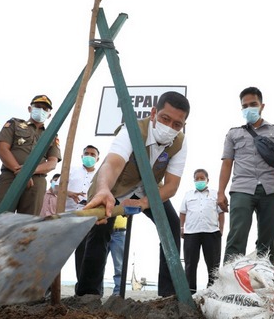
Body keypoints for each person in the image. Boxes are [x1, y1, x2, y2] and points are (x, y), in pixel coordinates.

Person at [76, 91, 190, 297]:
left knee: (171, 225)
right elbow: (112, 164)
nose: (170, 127)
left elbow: (171, 186)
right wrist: (103, 190)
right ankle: (88, 295)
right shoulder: (133, 129)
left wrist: (145, 203)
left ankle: (169, 293)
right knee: (100, 230)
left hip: (147, 190)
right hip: (114, 186)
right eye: (165, 119)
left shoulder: (180, 143)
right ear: (154, 112)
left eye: (177, 124)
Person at [218, 87, 274, 265]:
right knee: (236, 236)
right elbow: (226, 163)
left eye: (253, 104)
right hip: (241, 189)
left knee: (268, 242)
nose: (249, 108)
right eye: (244, 106)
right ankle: (229, 281)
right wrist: (220, 192)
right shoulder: (233, 133)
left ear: (262, 106)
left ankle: (265, 280)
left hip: (272, 189)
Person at [0, 95, 61, 217]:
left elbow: (52, 162)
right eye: (37, 107)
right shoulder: (14, 124)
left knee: (27, 224)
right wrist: (20, 173)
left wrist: (29, 172)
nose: (41, 110)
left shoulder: (52, 135)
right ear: (30, 108)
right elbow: (2, 149)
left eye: (45, 109)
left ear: (49, 115)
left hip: (36, 183)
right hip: (10, 176)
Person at [180, 169, 224, 293]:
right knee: (190, 264)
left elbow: (221, 213)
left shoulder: (215, 194)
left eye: (202, 178)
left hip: (211, 232)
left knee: (213, 264)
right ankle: (190, 291)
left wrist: (221, 229)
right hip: (191, 233)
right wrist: (181, 227)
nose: (199, 181)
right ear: (194, 180)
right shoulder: (188, 195)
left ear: (207, 180)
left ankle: (212, 291)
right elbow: (182, 212)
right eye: (197, 179)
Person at [65, 145, 100, 279]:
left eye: (92, 154)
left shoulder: (100, 176)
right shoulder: (71, 170)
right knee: (58, 251)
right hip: (68, 216)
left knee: (83, 253)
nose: (89, 156)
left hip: (87, 218)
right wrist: (69, 193)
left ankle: (81, 288)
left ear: (97, 159)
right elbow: (56, 189)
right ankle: (48, 289)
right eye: (87, 153)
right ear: (82, 156)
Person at [108, 215, 127, 295]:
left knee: (119, 266)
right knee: (98, 264)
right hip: (104, 229)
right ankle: (97, 293)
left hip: (120, 231)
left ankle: (118, 293)